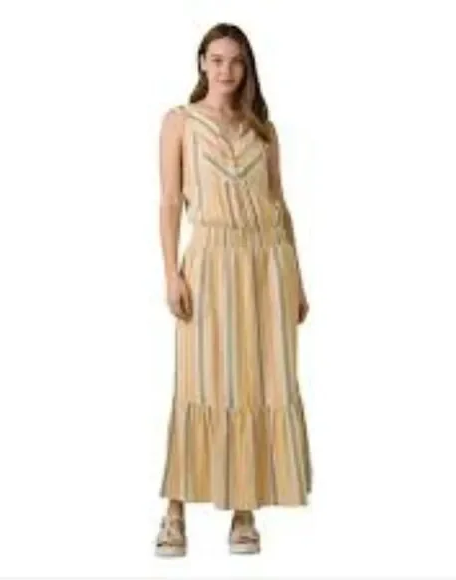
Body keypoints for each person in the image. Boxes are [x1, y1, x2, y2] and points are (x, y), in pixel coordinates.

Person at [155, 22, 312, 557]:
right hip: (211, 259)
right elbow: (169, 201)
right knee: (199, 378)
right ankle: (174, 511)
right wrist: (170, 272)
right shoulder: (180, 122)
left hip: (267, 264)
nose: (227, 70)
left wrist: (298, 280)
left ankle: (244, 511)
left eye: (236, 61)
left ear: (247, 68)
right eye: (217, 59)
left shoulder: (264, 130)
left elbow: (280, 204)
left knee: (256, 380)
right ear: (202, 62)